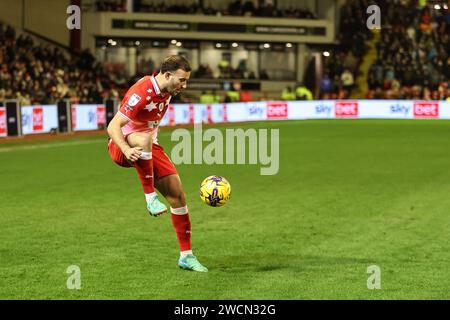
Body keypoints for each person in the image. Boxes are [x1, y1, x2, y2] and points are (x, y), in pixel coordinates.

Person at [106, 55, 208, 272]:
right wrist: (126, 149)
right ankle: (150, 199)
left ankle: (186, 256)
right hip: (122, 146)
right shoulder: (142, 92)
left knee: (178, 195)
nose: (184, 85)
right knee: (143, 139)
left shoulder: (168, 90)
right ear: (167, 75)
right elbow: (113, 126)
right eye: (181, 80)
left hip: (148, 146)